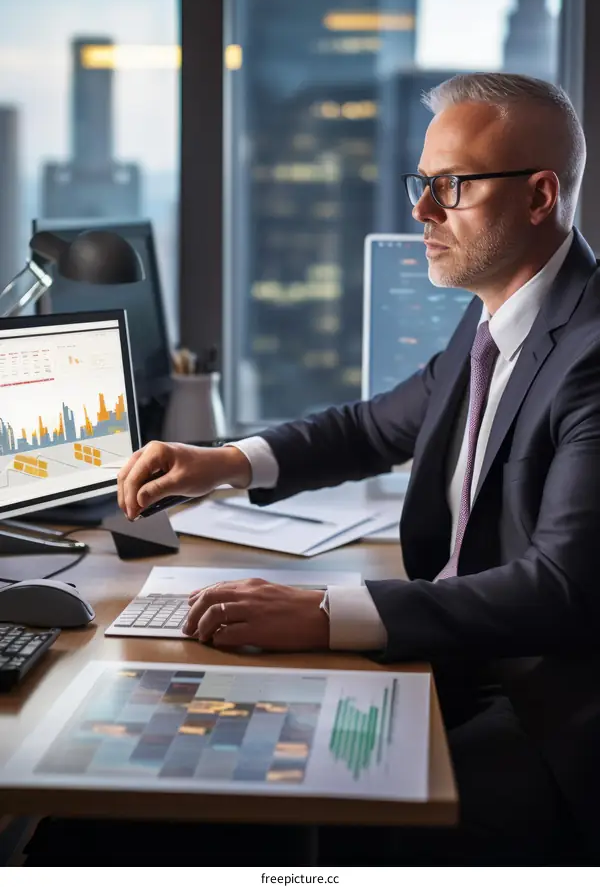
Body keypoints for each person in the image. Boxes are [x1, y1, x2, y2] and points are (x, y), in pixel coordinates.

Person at [119, 73, 600, 865]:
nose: (421, 210)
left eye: (452, 185)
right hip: (461, 664)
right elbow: (372, 426)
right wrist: (223, 461)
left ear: (540, 195)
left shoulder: (592, 347)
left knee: (284, 819)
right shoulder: (495, 322)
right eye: (423, 183)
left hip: (540, 718)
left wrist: (321, 611)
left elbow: (559, 588)